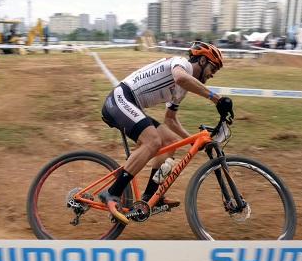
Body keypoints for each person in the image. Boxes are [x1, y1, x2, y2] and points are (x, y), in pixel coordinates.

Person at [100, 41, 234, 224]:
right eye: (213, 68)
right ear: (202, 61)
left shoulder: (182, 89)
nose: (212, 75)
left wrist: (193, 141)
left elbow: (170, 119)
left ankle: (150, 198)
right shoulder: (182, 64)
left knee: (170, 141)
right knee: (153, 141)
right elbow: (180, 78)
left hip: (131, 105)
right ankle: (112, 192)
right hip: (121, 99)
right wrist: (216, 99)